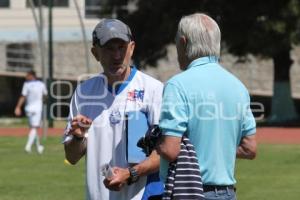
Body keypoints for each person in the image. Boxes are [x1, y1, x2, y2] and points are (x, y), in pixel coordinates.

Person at [157, 13, 257, 200]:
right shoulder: (238, 87)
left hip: (190, 191)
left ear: (184, 42)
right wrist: (218, 149)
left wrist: (155, 142)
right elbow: (249, 148)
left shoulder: (177, 85)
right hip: (228, 193)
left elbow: (170, 150)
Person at [63, 18, 164, 200]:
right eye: (109, 48)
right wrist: (78, 137)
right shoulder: (84, 92)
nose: (117, 56)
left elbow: (166, 153)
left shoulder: (154, 89)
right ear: (95, 53)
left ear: (132, 48)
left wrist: (130, 173)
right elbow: (71, 157)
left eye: (121, 48)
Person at [14, 70, 47, 154]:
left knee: (33, 128)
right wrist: (42, 101)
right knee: (34, 128)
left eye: (27, 75)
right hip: (37, 109)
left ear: (32, 76)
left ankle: (39, 147)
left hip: (28, 109)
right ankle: (28, 147)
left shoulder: (26, 85)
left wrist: (18, 107)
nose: (26, 77)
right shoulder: (41, 84)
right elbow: (45, 96)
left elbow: (23, 96)